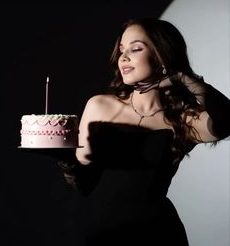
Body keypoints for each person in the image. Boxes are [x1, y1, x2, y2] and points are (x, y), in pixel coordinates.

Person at [59, 17, 230, 245]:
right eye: (121, 50)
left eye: (136, 48)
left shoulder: (185, 120)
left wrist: (186, 80)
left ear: (161, 57)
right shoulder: (99, 106)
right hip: (102, 236)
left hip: (157, 235)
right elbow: (83, 185)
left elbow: (227, 121)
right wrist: (63, 158)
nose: (124, 57)